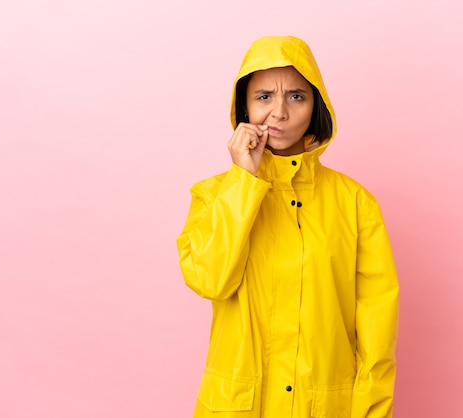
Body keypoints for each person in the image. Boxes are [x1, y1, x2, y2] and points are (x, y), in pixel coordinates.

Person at [177, 35, 399, 418]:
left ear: (316, 107)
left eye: (296, 96)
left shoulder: (355, 203)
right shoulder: (214, 196)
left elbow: (377, 329)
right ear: (243, 107)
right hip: (238, 407)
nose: (278, 112)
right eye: (263, 97)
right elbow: (210, 280)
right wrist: (243, 181)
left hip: (324, 406)